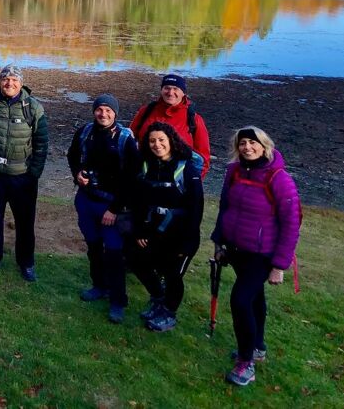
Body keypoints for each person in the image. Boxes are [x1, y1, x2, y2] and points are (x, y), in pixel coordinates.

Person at [211, 127, 301, 387]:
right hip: (237, 249)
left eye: (253, 142)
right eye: (242, 143)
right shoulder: (234, 172)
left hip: (262, 254)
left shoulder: (279, 179)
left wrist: (279, 266)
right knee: (254, 298)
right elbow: (225, 208)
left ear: (265, 146)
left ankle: (246, 362)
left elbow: (291, 223)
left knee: (240, 300)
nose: (247, 147)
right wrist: (219, 242)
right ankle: (257, 346)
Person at [0, 64, 49, 282]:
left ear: (21, 83)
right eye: (6, 79)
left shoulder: (33, 108)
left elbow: (42, 143)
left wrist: (33, 174)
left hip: (22, 177)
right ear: (0, 81)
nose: (10, 83)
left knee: (25, 222)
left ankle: (26, 263)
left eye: (14, 80)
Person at [66, 93, 139, 323]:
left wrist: (115, 209)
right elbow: (72, 155)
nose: (103, 114)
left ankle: (118, 301)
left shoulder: (125, 139)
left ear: (115, 113)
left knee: (114, 253)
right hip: (87, 201)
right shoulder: (85, 132)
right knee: (94, 247)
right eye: (99, 109)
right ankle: (99, 286)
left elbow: (132, 178)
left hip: (113, 206)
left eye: (108, 110)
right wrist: (77, 174)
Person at [127, 122, 204, 332]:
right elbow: (139, 202)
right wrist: (139, 230)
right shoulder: (147, 166)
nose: (157, 144)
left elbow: (196, 208)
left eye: (161, 140)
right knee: (136, 260)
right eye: (152, 141)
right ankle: (159, 299)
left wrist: (187, 244)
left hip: (181, 235)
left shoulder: (186, 169)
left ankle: (169, 313)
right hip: (154, 231)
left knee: (173, 275)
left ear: (171, 140)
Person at [129, 73, 211, 178]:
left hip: (178, 178)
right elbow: (129, 141)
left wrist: (193, 181)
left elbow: (203, 158)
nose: (170, 93)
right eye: (166, 88)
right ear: (161, 90)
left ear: (183, 93)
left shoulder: (194, 119)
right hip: (145, 175)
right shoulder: (146, 111)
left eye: (175, 89)